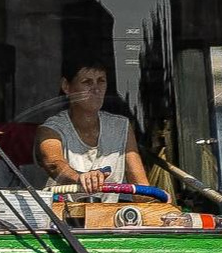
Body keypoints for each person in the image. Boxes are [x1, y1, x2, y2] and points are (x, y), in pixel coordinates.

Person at [37, 56, 149, 189]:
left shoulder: (121, 127)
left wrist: (157, 201)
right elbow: (54, 164)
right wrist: (81, 178)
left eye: (101, 81)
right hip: (61, 209)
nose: (96, 89)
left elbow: (140, 184)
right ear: (66, 86)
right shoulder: (51, 129)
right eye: (87, 82)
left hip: (108, 210)